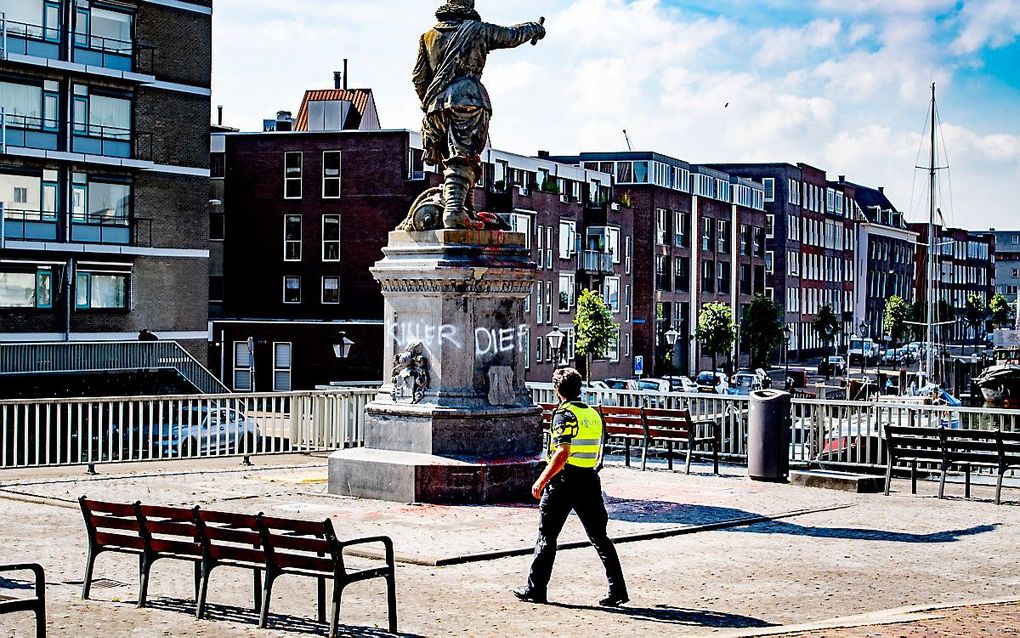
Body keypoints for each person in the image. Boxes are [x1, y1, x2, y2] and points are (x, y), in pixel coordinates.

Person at [412, 0, 545, 229]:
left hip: (435, 108)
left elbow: (418, 78)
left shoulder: (427, 36)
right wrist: (535, 28)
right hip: (469, 100)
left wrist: (433, 104)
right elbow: (512, 36)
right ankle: (454, 211)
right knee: (464, 158)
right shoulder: (478, 30)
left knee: (456, 162)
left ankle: (467, 210)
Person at [513, 367, 629, 607]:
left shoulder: (563, 415)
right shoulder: (592, 414)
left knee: (547, 536)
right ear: (579, 388)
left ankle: (536, 589)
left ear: (557, 390)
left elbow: (562, 453)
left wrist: (541, 479)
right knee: (600, 536)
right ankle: (617, 589)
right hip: (589, 479)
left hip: (564, 482)